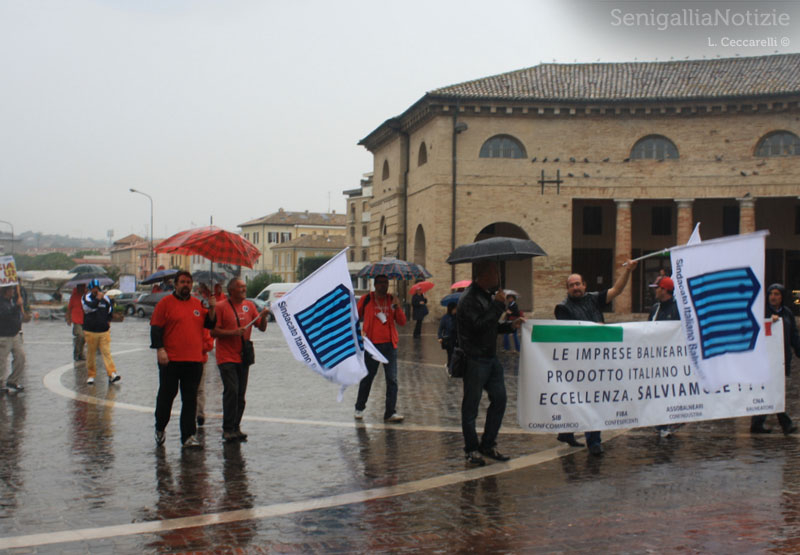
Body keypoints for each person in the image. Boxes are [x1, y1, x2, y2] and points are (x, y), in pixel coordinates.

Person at [554, 260, 637, 455]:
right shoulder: (562, 308)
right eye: (572, 285)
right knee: (580, 398)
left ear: (584, 285)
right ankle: (585, 438)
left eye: (578, 284)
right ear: (567, 288)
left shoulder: (593, 299)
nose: (576, 287)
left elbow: (616, 290)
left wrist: (628, 271)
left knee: (593, 399)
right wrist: (594, 329)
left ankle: (588, 439)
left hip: (599, 358)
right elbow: (571, 333)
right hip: (576, 361)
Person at [457, 260, 524, 466]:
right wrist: (497, 305)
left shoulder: (487, 295)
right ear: (484, 275)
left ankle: (488, 443)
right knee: (471, 407)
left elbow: (491, 327)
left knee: (500, 399)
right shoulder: (468, 299)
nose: (498, 277)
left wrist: (511, 325)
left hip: (490, 358)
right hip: (475, 359)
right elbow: (478, 326)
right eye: (495, 273)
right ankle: (471, 449)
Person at [151, 271, 217, 448]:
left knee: (190, 400)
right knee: (166, 396)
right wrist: (160, 349)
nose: (186, 285)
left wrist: (212, 308)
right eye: (182, 282)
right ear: (175, 284)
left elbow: (210, 325)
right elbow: (156, 329)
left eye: (188, 282)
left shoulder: (197, 304)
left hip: (194, 360)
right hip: (171, 360)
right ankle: (160, 427)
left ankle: (188, 436)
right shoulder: (165, 304)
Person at [212, 278, 268, 443]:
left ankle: (236, 427)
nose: (244, 289)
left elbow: (262, 327)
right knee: (232, 391)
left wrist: (263, 316)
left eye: (244, 287)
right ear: (231, 290)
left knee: (241, 395)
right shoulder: (221, 307)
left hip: (243, 356)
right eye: (240, 287)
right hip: (226, 357)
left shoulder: (250, 306)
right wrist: (233, 332)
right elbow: (213, 332)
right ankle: (227, 428)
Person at [355, 274, 407, 422]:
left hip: (390, 345)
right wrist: (360, 334)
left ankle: (390, 412)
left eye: (386, 283)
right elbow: (356, 317)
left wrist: (397, 307)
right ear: (375, 284)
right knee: (367, 378)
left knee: (392, 380)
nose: (384, 285)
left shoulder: (391, 300)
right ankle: (359, 407)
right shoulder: (366, 300)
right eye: (381, 283)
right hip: (372, 346)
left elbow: (402, 322)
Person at [751, 283, 800, 435]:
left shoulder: (787, 313)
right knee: (773, 390)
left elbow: (793, 335)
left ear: (782, 297)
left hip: (782, 359)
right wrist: (768, 321)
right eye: (771, 294)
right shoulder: (762, 312)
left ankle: (757, 424)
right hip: (765, 360)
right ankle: (785, 424)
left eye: (777, 294)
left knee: (774, 391)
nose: (773, 297)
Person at [648, 276, 682, 438]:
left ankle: (669, 421)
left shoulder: (677, 309)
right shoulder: (655, 308)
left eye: (657, 288)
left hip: (671, 359)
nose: (655, 290)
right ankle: (660, 421)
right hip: (655, 358)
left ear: (665, 290)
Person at [82, 279, 120, 385]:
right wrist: (98, 300)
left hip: (103, 331)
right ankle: (91, 375)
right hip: (90, 331)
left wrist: (108, 321)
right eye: (94, 289)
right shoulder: (86, 298)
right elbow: (88, 308)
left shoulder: (105, 299)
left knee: (107, 353)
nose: (96, 290)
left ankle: (112, 373)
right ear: (90, 289)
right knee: (91, 354)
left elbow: (110, 309)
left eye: (97, 288)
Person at [0, 285, 25, 393]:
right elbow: (4, 314)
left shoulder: (11, 301)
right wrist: (16, 306)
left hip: (14, 334)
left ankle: (13, 380)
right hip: (3, 335)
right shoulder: (2, 302)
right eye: (11, 289)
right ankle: (0, 383)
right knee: (2, 361)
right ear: (6, 291)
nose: (13, 291)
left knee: (20, 357)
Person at [66, 284, 87, 361]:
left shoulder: (87, 296)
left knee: (85, 338)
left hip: (85, 319)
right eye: (79, 287)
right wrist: (68, 319)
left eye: (82, 287)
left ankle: (80, 354)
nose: (80, 289)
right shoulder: (74, 296)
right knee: (80, 336)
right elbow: (69, 308)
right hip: (76, 319)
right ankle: (76, 354)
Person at [437, 302, 458, 367]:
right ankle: (450, 367)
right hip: (448, 339)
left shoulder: (458, 316)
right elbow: (440, 328)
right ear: (451, 309)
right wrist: (440, 337)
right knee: (450, 354)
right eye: (455, 309)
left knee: (456, 354)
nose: (456, 310)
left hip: (456, 338)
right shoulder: (445, 317)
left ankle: (454, 367)